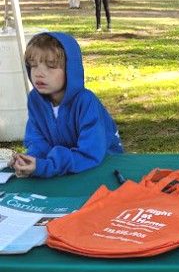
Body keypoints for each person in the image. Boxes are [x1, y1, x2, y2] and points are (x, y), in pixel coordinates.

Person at [9, 32, 123, 178]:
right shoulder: (35, 100)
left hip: (102, 168)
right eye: (33, 66)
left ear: (70, 69)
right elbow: (36, 139)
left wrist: (48, 165)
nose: (39, 73)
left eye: (50, 66)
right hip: (62, 169)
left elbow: (90, 153)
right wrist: (30, 159)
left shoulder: (86, 102)